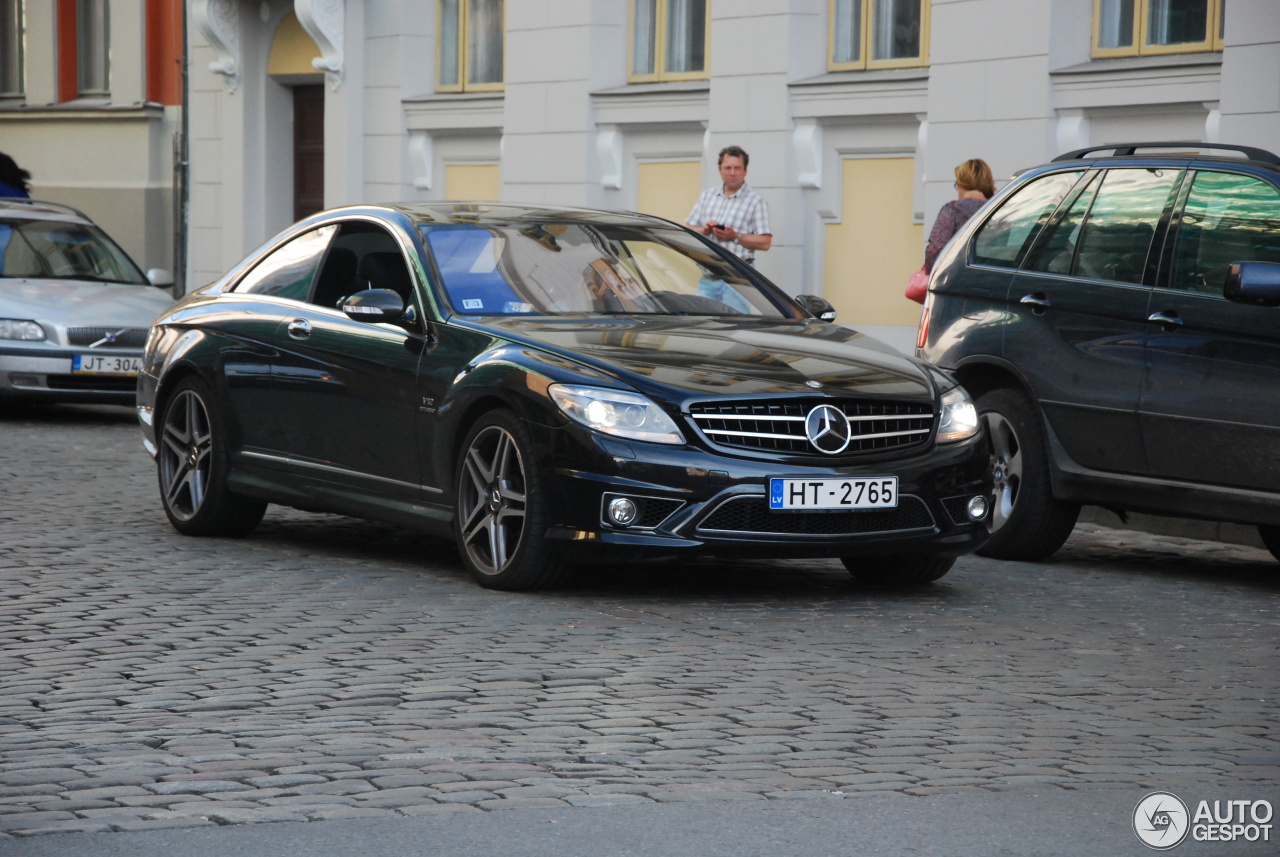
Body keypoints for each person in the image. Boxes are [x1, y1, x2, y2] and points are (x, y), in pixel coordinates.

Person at [687, 145, 771, 265]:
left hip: (739, 274)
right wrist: (705, 230)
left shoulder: (755, 200)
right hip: (710, 273)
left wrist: (735, 236)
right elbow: (688, 229)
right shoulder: (707, 196)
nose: (732, 173)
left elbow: (765, 242)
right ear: (720, 170)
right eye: (727, 168)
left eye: (737, 168)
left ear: (745, 171)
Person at [923, 158, 994, 273]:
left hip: (956, 282)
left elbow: (934, 253)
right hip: (991, 282)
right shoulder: (999, 212)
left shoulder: (952, 210)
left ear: (962, 184)